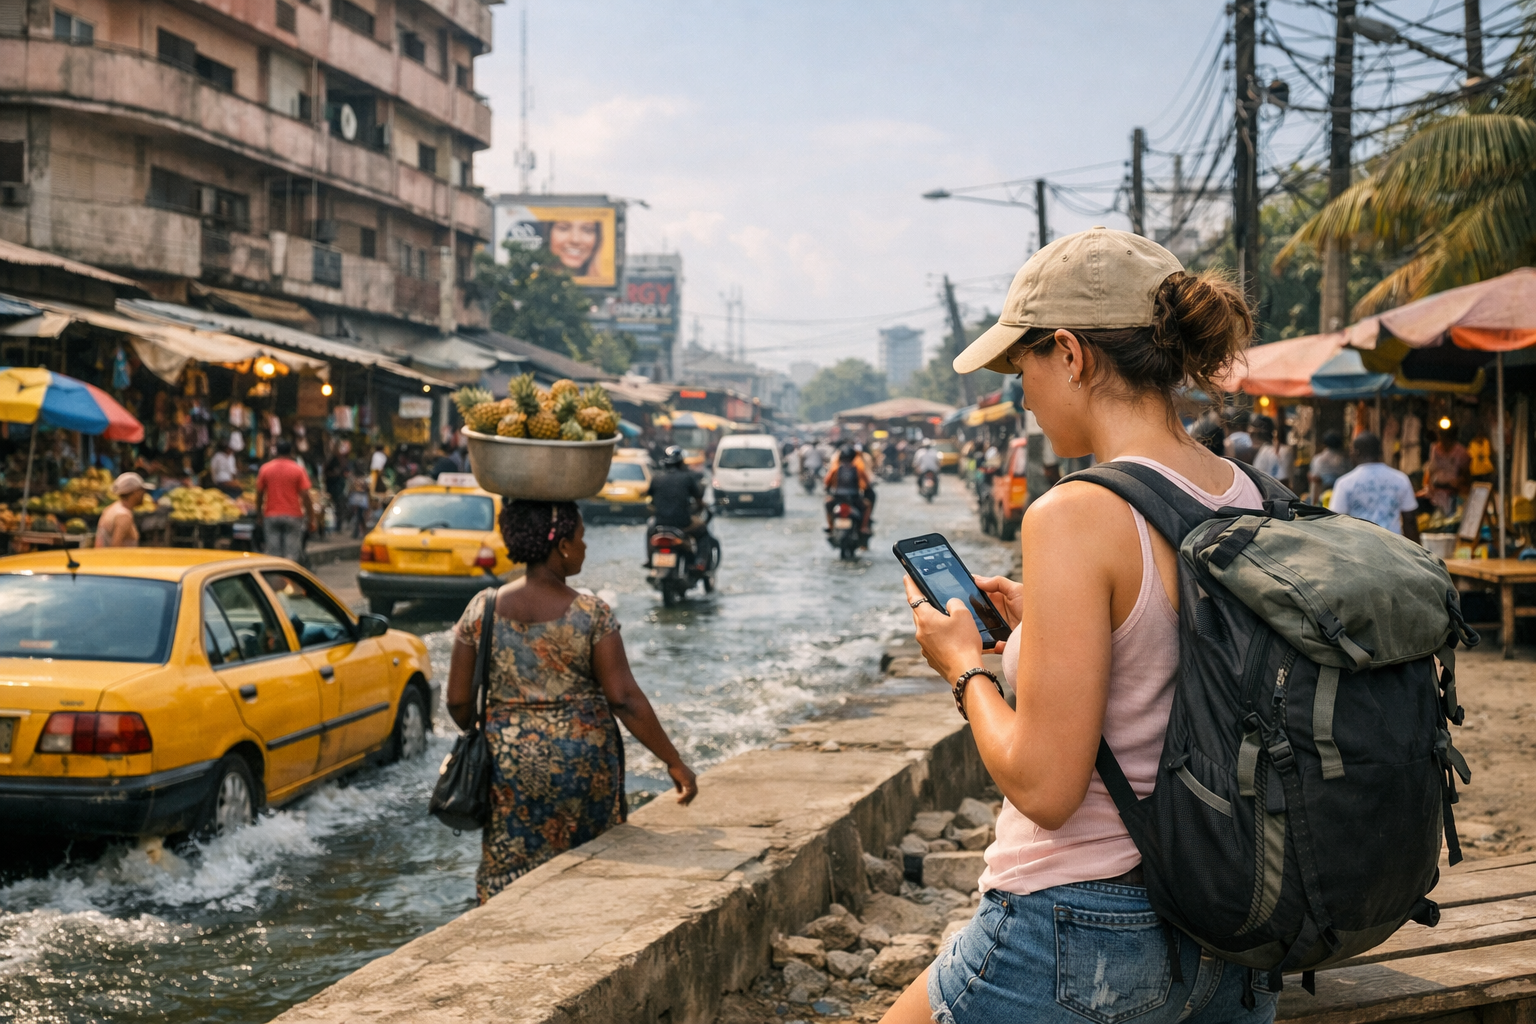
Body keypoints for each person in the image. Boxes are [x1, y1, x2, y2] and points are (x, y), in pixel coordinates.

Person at [883, 227, 1274, 1024]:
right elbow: (1182, 655)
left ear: (1070, 353)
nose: (1019, 391)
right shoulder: (1250, 492)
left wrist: (966, 670)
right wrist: (1046, 623)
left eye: (1020, 363)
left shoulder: (1074, 512)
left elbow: (1047, 788)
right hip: (1231, 922)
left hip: (1083, 930)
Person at [447, 500, 697, 904]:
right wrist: (673, 761)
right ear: (562, 546)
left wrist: (501, 732)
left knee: (510, 868)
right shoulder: (591, 613)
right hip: (583, 764)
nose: (585, 547)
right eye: (581, 538)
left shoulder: (482, 609)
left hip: (508, 762)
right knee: (591, 868)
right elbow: (624, 698)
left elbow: (458, 702)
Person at [1328, 433, 1420, 539]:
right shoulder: (1400, 479)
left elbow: (1336, 523)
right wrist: (1416, 553)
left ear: (1356, 452)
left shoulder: (1344, 483)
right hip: (1393, 548)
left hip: (1358, 549)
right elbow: (1410, 520)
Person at [646, 445, 715, 568]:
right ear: (681, 462)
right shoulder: (687, 478)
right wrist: (703, 507)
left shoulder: (656, 478)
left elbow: (650, 498)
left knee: (649, 530)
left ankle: (649, 559)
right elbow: (698, 500)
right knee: (703, 531)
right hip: (682, 522)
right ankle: (700, 562)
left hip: (659, 522)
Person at [257, 440, 313, 562]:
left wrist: (259, 514)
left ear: (276, 451)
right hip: (293, 516)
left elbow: (259, 494)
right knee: (291, 554)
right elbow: (306, 496)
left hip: (271, 515)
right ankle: (288, 579)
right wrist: (311, 518)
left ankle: (275, 579)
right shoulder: (298, 469)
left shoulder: (265, 468)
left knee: (273, 554)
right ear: (291, 452)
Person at [823, 444, 871, 535]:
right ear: (853, 458)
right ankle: (863, 527)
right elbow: (865, 484)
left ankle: (830, 526)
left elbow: (826, 482)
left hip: (837, 499)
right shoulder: (858, 469)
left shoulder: (835, 469)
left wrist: (828, 491)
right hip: (854, 499)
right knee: (867, 505)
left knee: (827, 503)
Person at [1423, 426, 1471, 515]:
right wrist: (1426, 486)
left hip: (1454, 494)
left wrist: (1460, 484)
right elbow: (1430, 469)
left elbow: (1466, 475)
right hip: (1436, 492)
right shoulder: (1434, 448)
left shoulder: (1461, 452)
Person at [95, 472, 146, 548]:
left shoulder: (111, 509)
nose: (144, 493)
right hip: (116, 559)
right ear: (135, 492)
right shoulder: (123, 515)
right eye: (142, 490)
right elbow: (116, 548)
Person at [1250, 415, 1293, 487]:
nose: (1251, 435)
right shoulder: (1263, 450)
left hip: (1275, 494)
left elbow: (1283, 480)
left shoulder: (1283, 451)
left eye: (1254, 433)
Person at [1309, 430, 1351, 496]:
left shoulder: (1318, 459)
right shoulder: (1345, 460)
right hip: (1340, 494)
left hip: (1322, 495)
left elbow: (1314, 476)